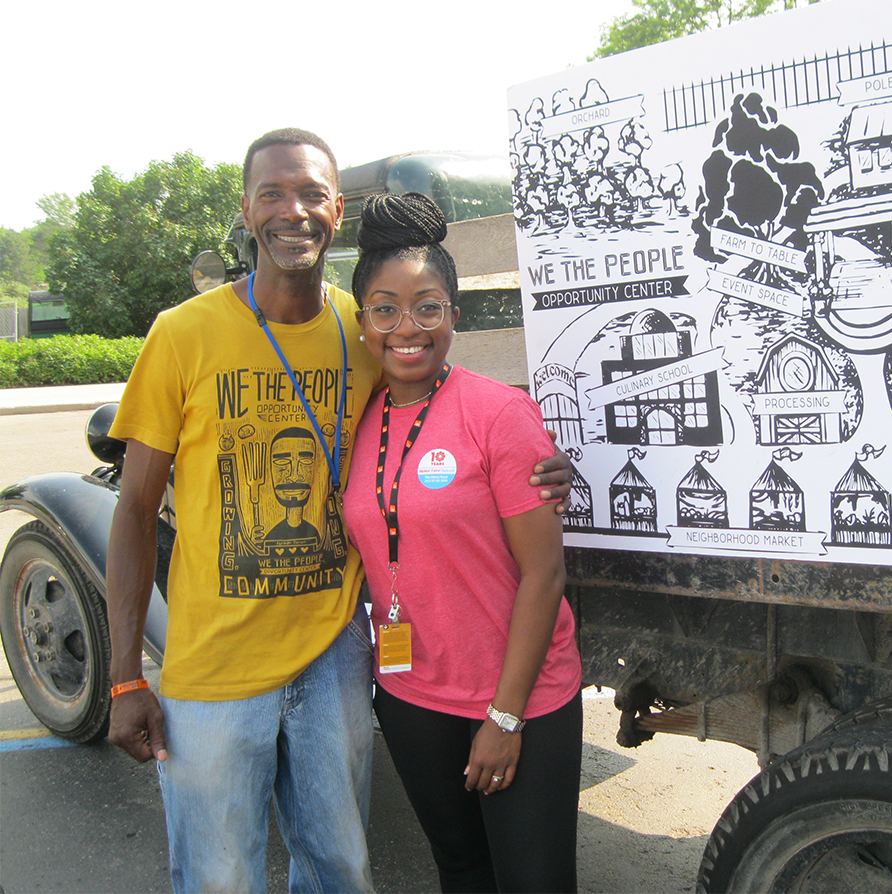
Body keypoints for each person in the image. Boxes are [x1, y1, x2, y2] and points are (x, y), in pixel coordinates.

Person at [105, 128, 573, 894]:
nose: (293, 211)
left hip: (336, 660)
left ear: (336, 210)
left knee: (341, 874)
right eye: (272, 194)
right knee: (220, 877)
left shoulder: (361, 326)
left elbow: (442, 415)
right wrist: (125, 677)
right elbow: (133, 510)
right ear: (246, 211)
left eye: (312, 194)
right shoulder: (182, 335)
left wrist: (544, 466)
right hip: (216, 668)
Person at [342, 192, 583, 894]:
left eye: (428, 307)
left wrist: (504, 717)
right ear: (362, 322)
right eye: (385, 309)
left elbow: (544, 574)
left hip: (518, 697)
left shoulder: (498, 414)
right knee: (461, 871)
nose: (406, 328)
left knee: (535, 883)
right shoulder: (356, 420)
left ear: (454, 314)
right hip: (410, 693)